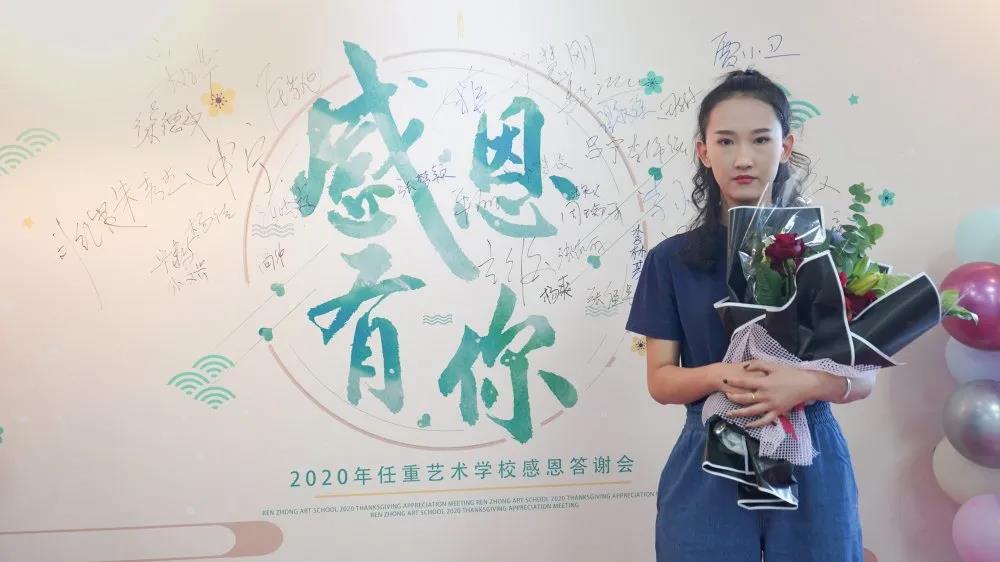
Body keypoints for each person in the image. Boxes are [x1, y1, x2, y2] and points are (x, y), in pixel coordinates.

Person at [625, 69, 873, 561]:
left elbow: (863, 379)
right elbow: (661, 381)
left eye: (761, 139)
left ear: (786, 146)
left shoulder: (829, 251)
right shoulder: (671, 261)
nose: (743, 158)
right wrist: (722, 375)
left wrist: (805, 384)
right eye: (726, 141)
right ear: (703, 152)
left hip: (811, 450)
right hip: (710, 453)